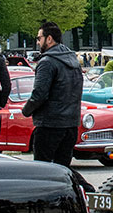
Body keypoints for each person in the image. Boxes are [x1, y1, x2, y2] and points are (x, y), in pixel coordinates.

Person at [21, 21, 83, 166]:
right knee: (63, 168)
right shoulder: (73, 60)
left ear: (49, 39)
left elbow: (39, 94)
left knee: (43, 170)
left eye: (39, 38)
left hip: (50, 124)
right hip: (71, 124)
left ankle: (85, 187)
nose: (37, 42)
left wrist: (26, 110)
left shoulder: (47, 62)